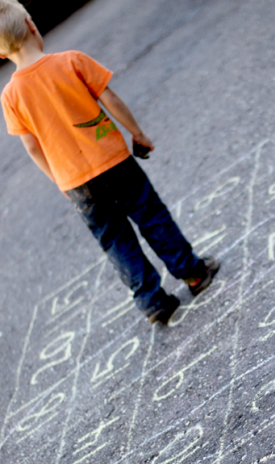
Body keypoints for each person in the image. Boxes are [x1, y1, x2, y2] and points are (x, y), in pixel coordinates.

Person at [0, 0, 219, 324]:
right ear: (32, 26)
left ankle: (152, 301)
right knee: (150, 214)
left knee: (115, 239)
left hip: (74, 181)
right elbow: (110, 98)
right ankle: (192, 273)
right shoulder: (71, 61)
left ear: (2, 53)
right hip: (113, 160)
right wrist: (137, 133)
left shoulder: (10, 97)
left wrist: (59, 180)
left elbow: (33, 147)